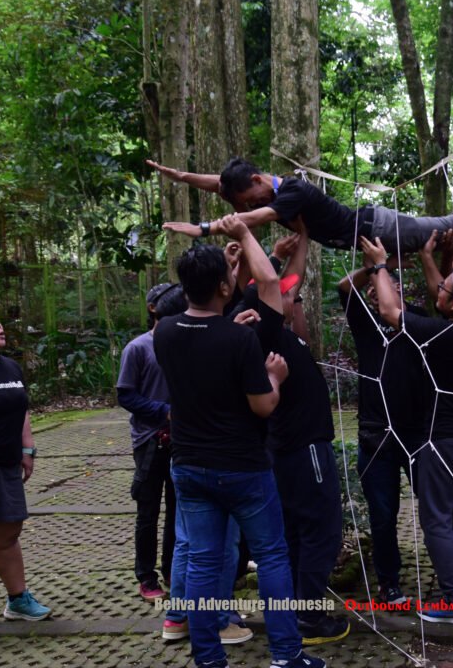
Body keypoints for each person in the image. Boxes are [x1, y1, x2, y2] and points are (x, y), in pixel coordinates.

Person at [153, 236, 325, 668]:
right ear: (226, 288)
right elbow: (263, 404)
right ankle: (287, 654)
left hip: (189, 466)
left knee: (200, 561)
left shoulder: (166, 332)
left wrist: (228, 292)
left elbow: (205, 333)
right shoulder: (239, 340)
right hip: (243, 468)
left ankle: (208, 658)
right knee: (271, 556)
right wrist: (275, 378)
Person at [361, 236, 453, 625]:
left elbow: (391, 312)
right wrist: (429, 254)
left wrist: (380, 265)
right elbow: (444, 291)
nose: (437, 287)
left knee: (437, 518)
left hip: (447, 442)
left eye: (444, 289)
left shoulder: (445, 336)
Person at [229, 221, 349, 645]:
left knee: (299, 531)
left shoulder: (276, 328)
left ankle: (302, 610)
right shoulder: (263, 336)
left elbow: (290, 283)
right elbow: (269, 284)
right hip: (304, 449)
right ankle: (310, 618)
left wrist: (302, 242)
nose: (289, 296)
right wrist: (270, 256)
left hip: (291, 451)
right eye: (276, 295)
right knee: (322, 530)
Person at [149, 157, 453, 253]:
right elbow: (224, 186)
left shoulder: (289, 192)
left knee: (445, 223)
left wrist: (203, 229)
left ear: (257, 181)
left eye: (248, 198)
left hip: (377, 227)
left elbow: (253, 218)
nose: (251, 204)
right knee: (449, 237)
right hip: (373, 234)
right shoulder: (265, 187)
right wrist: (182, 177)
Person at [338, 254, 431, 605]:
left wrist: (392, 268)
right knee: (382, 515)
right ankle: (389, 583)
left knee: (435, 506)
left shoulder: (418, 319)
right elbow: (345, 287)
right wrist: (375, 266)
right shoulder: (367, 325)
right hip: (376, 436)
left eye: (385, 285)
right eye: (374, 289)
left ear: (398, 288)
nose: (377, 294)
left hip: (419, 435)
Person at [0, 302, 51, 638]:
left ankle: (18, 600)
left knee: (7, 537)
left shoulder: (10, 368)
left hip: (6, 467)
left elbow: (22, 410)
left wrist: (27, 448)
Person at [116, 282, 187, 602]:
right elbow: (125, 394)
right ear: (154, 308)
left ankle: (172, 569)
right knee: (148, 512)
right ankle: (146, 576)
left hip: (183, 441)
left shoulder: (187, 342)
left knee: (178, 510)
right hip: (148, 442)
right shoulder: (138, 347)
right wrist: (163, 412)